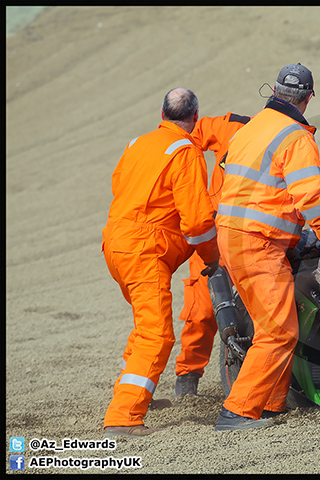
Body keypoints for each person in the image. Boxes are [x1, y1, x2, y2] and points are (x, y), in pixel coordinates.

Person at [214, 63, 320, 430]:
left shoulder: (250, 129)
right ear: (308, 99)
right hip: (258, 243)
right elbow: (313, 200)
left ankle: (270, 405)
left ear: (273, 92)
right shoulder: (296, 137)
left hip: (231, 235)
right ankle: (239, 411)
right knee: (279, 330)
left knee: (271, 324)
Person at [101, 88, 220, 438]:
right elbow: (198, 223)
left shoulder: (137, 143)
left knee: (144, 324)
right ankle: (123, 417)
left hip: (116, 244)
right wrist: (211, 258)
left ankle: (137, 392)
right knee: (157, 334)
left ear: (162, 113)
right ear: (195, 117)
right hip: (144, 252)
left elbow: (119, 186)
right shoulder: (185, 152)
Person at [173, 112, 252, 397]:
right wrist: (189, 180)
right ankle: (188, 375)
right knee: (203, 310)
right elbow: (186, 137)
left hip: (257, 238)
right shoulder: (233, 126)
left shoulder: (291, 143)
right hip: (214, 235)